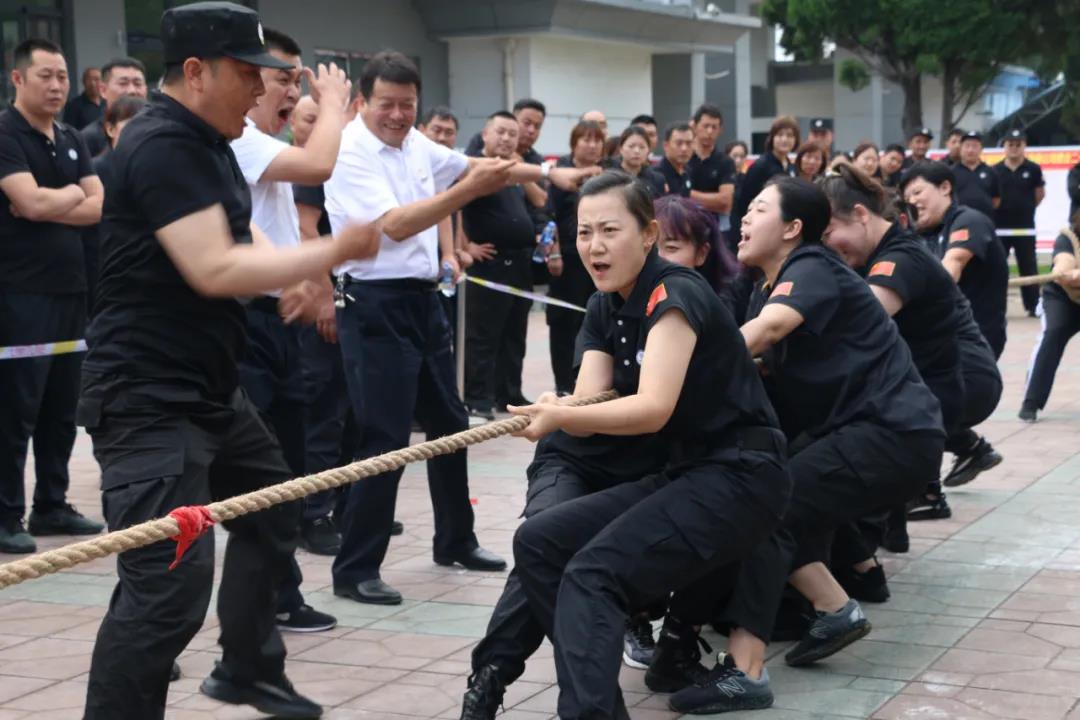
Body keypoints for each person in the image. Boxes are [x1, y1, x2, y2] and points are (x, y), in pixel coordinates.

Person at [78, 3, 383, 717]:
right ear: (195, 72)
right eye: (249, 74)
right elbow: (214, 268)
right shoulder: (162, 145)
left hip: (210, 390)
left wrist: (301, 274)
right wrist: (334, 249)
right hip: (146, 398)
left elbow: (243, 244)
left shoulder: (214, 141)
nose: (261, 89)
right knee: (165, 592)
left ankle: (247, 666)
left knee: (274, 508)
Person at [509, 171, 790, 720]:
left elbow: (653, 408)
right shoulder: (610, 303)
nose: (594, 245)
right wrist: (559, 409)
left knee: (593, 574)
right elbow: (586, 412)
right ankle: (595, 704)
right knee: (540, 542)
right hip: (692, 473)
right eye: (584, 232)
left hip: (741, 476)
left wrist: (561, 415)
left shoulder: (674, 292)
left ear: (648, 235)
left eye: (609, 230)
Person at [324, 50, 596, 606]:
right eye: (387, 104)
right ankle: (356, 567)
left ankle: (455, 539)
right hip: (373, 303)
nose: (398, 115)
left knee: (449, 422)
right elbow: (396, 225)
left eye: (407, 104)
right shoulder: (349, 151)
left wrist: (548, 173)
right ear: (362, 102)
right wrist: (467, 192)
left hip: (423, 301)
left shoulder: (415, 144)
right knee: (384, 437)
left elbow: (475, 166)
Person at [669, 177, 944, 715]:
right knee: (770, 495)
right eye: (745, 210)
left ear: (794, 228)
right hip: (861, 434)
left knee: (767, 507)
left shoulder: (812, 266)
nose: (744, 220)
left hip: (892, 432)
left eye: (759, 210)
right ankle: (835, 606)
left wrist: (678, 368)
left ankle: (746, 671)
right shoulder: (763, 286)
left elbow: (769, 330)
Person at [820, 164, 1001, 582]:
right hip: (932, 383)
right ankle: (895, 522)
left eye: (829, 232)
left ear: (861, 215)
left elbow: (858, 322)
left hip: (963, 381)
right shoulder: (881, 251)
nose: (827, 244)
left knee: (858, 442)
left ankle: (862, 557)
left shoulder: (900, 258)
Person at [229, 27, 353, 634]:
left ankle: (280, 593)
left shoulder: (264, 145)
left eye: (298, 82)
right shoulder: (241, 140)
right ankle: (262, 600)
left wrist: (305, 282)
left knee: (290, 464)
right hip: (246, 325)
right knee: (261, 471)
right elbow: (320, 163)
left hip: (282, 322)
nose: (292, 93)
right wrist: (333, 105)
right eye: (284, 79)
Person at [0, 38, 105, 555]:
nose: (57, 85)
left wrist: (52, 201)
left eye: (62, 75)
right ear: (18, 78)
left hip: (71, 291)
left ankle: (52, 503)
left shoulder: (70, 136)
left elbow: (98, 205)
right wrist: (70, 196)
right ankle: (5, 514)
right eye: (46, 75)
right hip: (21, 294)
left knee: (63, 405)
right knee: (15, 406)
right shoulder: (5, 133)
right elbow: (29, 203)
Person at [902, 161, 1006, 499]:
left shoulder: (968, 220)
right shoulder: (923, 237)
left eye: (918, 192)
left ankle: (926, 492)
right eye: (907, 197)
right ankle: (970, 449)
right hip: (944, 339)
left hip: (975, 339)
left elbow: (951, 268)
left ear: (945, 187)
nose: (912, 201)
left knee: (917, 399)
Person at [462, 111, 546, 420]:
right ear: (485, 134)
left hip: (519, 263)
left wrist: (517, 166)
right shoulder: (475, 168)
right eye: (501, 132)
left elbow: (539, 200)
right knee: (483, 337)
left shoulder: (515, 173)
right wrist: (465, 247)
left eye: (512, 134)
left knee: (515, 335)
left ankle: (508, 393)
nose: (507, 138)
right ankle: (478, 399)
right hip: (489, 266)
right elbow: (454, 208)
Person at [546, 120, 605, 395]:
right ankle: (564, 385)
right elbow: (549, 215)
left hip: (598, 258)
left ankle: (589, 383)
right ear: (574, 143)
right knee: (563, 322)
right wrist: (555, 251)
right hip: (567, 258)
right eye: (586, 139)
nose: (592, 145)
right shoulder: (559, 173)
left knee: (592, 318)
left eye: (597, 140)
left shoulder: (607, 173)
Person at [86, 95, 148, 316]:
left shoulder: (153, 167)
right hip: (101, 266)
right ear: (110, 129)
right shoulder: (93, 169)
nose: (139, 131)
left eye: (145, 125)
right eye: (131, 124)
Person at [1021, 220, 1080, 422]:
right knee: (1054, 332)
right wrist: (1066, 273)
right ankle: (1031, 401)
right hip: (1062, 298)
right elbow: (1063, 264)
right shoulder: (1068, 237)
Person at [994, 128, 1045, 317]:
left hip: (1025, 227)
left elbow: (1039, 195)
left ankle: (1033, 306)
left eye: (1018, 144)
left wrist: (1025, 208)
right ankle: (996, 306)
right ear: (1004, 147)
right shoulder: (995, 170)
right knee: (998, 267)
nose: (1014, 148)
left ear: (1024, 146)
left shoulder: (1033, 169)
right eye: (1010, 144)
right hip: (1000, 228)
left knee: (1028, 267)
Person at [731, 115, 798, 240]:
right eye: (780, 135)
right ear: (772, 138)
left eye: (789, 135)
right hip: (758, 229)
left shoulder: (791, 165)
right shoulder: (760, 166)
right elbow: (744, 202)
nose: (784, 139)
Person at [80, 57, 148, 157]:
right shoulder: (87, 139)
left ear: (146, 90)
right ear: (103, 90)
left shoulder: (159, 129)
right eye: (123, 83)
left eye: (137, 84)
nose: (132, 91)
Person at [687, 104, 736, 218]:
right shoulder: (683, 157)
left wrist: (686, 194)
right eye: (705, 126)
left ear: (720, 130)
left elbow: (725, 202)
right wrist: (713, 200)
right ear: (694, 126)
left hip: (713, 223)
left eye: (714, 127)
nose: (709, 131)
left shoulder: (726, 162)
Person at [951, 130, 1000, 222]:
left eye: (974, 146)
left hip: (985, 221)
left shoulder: (991, 172)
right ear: (961, 148)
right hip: (958, 221)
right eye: (967, 146)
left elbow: (996, 200)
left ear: (981, 149)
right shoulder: (951, 172)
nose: (970, 150)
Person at [616, 125, 667, 197]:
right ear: (621, 149)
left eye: (642, 147)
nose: (637, 151)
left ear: (648, 150)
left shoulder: (657, 179)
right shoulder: (610, 177)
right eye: (631, 146)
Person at [656, 122, 694, 198]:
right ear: (666, 145)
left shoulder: (688, 171)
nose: (684, 148)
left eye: (689, 143)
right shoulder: (656, 175)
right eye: (679, 143)